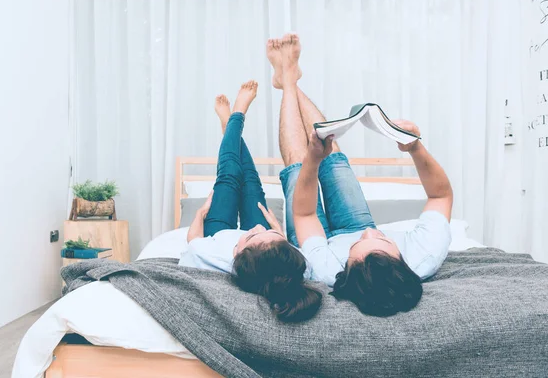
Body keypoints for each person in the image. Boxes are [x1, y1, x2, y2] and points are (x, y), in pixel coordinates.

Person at [267, 33, 453, 317]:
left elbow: (304, 216)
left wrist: (311, 161)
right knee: (334, 159)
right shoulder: (425, 255)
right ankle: (289, 79)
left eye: (358, 243)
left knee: (297, 165)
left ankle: (288, 81)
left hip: (319, 239)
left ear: (346, 269)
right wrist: (415, 147)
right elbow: (441, 195)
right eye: (380, 238)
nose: (368, 231)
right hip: (354, 227)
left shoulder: (327, 270)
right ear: (402, 260)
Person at [178, 81, 322, 322]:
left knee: (230, 175)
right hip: (264, 250)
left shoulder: (211, 258)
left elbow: (193, 241)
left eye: (252, 235)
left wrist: (199, 215)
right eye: (266, 234)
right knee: (251, 182)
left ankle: (236, 118)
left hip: (217, 234)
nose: (255, 228)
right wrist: (278, 234)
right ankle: (230, 128)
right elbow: (283, 249)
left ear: (236, 253)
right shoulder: (298, 268)